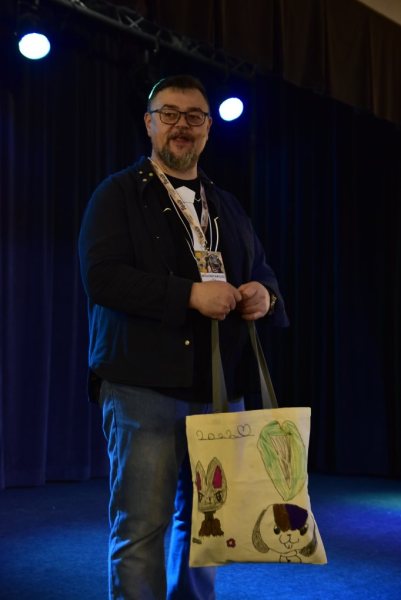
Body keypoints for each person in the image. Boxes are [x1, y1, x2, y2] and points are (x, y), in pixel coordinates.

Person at [78, 74, 288, 600]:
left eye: (194, 116)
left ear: (208, 129)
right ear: (149, 124)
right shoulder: (117, 194)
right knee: (140, 531)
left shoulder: (226, 204)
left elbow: (262, 269)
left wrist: (264, 295)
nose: (182, 126)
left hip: (219, 391)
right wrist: (189, 295)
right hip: (142, 390)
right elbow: (102, 278)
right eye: (169, 114)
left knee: (208, 532)